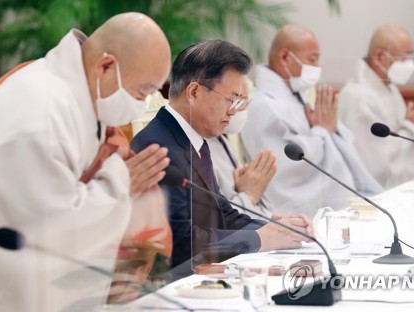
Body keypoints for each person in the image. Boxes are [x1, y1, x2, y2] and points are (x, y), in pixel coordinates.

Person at [0, 13, 172, 311]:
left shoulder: (84, 100)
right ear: (105, 65)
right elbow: (46, 227)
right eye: (142, 92)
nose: (142, 104)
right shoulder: (36, 109)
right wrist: (120, 183)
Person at [132, 39, 314, 277]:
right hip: (169, 285)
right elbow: (181, 242)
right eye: (232, 100)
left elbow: (223, 214)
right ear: (194, 92)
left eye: (240, 102)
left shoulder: (195, 139)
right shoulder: (157, 148)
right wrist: (260, 238)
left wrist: (277, 229)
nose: (235, 111)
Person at [241, 25, 382, 218]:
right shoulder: (263, 106)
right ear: (284, 57)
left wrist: (327, 130)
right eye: (312, 59)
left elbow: (331, 134)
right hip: (296, 212)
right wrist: (321, 131)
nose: (317, 67)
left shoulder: (297, 97)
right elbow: (286, 167)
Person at [337, 24, 414, 188]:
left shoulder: (389, 88)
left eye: (412, 57)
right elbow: (374, 163)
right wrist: (413, 127)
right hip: (372, 193)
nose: (411, 64)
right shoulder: (357, 96)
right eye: (405, 57)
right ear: (379, 56)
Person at [207, 80, 276, 220]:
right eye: (237, 101)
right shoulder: (193, 148)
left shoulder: (219, 138)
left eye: (245, 102)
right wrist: (249, 195)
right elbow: (215, 224)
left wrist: (277, 221)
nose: (239, 110)